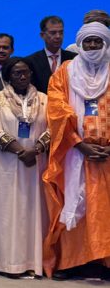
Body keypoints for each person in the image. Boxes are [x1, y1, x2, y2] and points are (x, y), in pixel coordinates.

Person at [43, 22, 110, 280]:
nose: (92, 45)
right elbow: (56, 111)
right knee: (73, 205)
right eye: (88, 41)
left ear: (105, 43)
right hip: (74, 154)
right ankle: (71, 262)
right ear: (80, 44)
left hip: (106, 157)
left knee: (104, 211)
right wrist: (79, 144)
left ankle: (104, 262)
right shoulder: (65, 72)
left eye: (97, 41)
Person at [0, 57, 49, 277]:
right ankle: (7, 263)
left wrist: (36, 150)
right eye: (16, 73)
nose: (22, 76)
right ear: (8, 76)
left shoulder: (44, 99)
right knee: (7, 214)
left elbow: (52, 129)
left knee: (34, 213)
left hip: (36, 164)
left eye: (26, 72)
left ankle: (34, 262)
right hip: (6, 164)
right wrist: (22, 152)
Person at [26, 16, 77, 94]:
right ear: (42, 35)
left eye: (61, 32)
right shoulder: (31, 61)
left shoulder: (74, 59)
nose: (58, 36)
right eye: (53, 33)